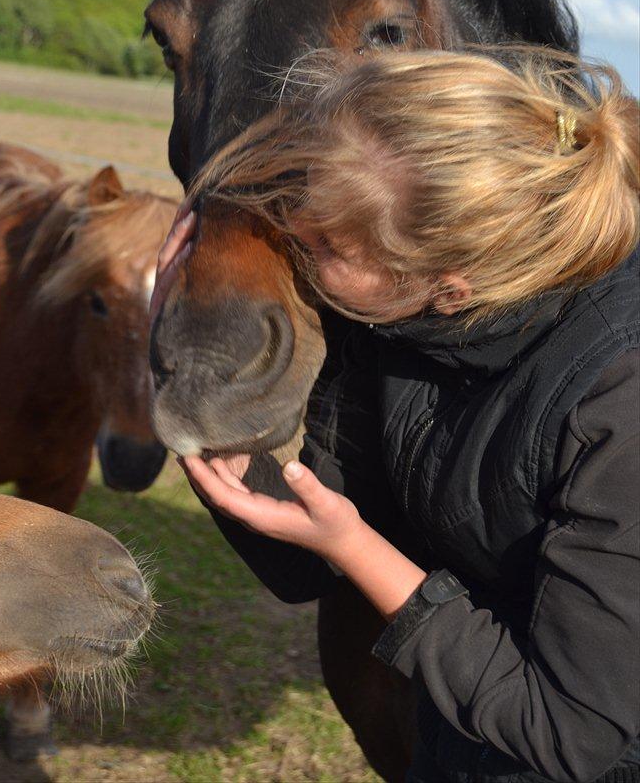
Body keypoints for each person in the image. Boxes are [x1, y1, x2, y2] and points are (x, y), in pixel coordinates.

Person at [153, 48, 639, 782]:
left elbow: (570, 730)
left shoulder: (616, 403)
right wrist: (181, 353)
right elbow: (298, 560)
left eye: (322, 245)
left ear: (450, 284)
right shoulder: (394, 323)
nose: (297, 250)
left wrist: (360, 552)